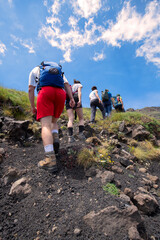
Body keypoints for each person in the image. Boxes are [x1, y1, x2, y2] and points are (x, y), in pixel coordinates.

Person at [28, 61, 75, 172]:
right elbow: (66, 84)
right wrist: (71, 98)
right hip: (60, 94)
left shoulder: (36, 69)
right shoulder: (59, 71)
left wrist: (32, 106)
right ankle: (55, 140)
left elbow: (31, 89)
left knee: (45, 125)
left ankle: (50, 160)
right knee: (54, 122)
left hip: (45, 92)